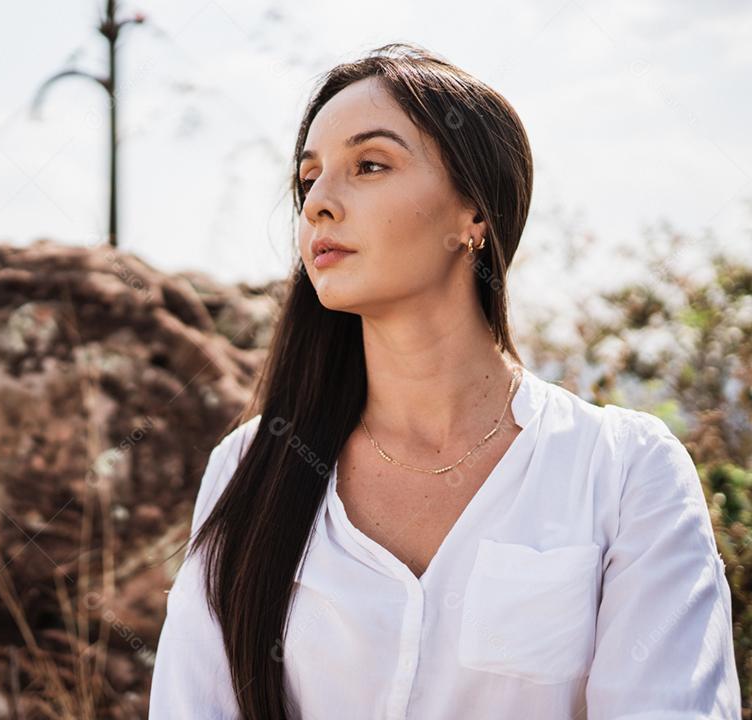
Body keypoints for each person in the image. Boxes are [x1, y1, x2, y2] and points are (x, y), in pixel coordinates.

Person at [148, 41, 741, 719]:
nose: (318, 204)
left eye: (369, 165)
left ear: (475, 215)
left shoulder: (624, 471)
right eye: (309, 178)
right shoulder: (251, 468)